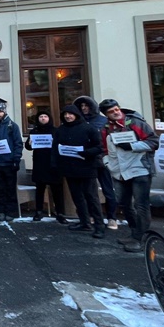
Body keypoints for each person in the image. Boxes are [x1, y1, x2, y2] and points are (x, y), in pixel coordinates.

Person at [100, 98, 159, 253]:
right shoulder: (106, 128)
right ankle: (134, 232)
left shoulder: (135, 123)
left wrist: (132, 146)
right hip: (119, 172)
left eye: (116, 109)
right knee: (124, 203)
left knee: (141, 205)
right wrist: (108, 163)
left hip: (140, 169)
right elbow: (104, 149)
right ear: (106, 114)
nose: (115, 113)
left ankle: (141, 238)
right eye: (111, 111)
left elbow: (153, 142)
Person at [53, 106, 106, 238]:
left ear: (76, 115)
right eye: (65, 114)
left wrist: (87, 153)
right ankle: (84, 222)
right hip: (70, 168)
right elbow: (55, 148)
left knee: (91, 197)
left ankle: (99, 225)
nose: (67, 116)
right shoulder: (61, 130)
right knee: (77, 197)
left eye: (70, 114)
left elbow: (99, 147)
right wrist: (56, 165)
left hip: (87, 167)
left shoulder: (89, 128)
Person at [74, 96, 121, 229]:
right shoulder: (79, 122)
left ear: (92, 106)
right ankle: (91, 215)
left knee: (108, 189)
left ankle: (112, 217)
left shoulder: (103, 120)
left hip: (103, 159)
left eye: (86, 106)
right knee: (89, 191)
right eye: (81, 106)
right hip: (86, 160)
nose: (84, 108)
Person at [24, 109, 66, 223]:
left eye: (45, 116)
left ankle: (60, 213)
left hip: (53, 164)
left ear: (49, 119)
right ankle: (38, 211)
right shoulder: (34, 131)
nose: (43, 118)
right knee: (40, 189)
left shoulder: (55, 131)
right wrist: (29, 144)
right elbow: (28, 147)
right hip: (39, 163)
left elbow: (61, 145)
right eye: (41, 116)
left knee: (57, 190)